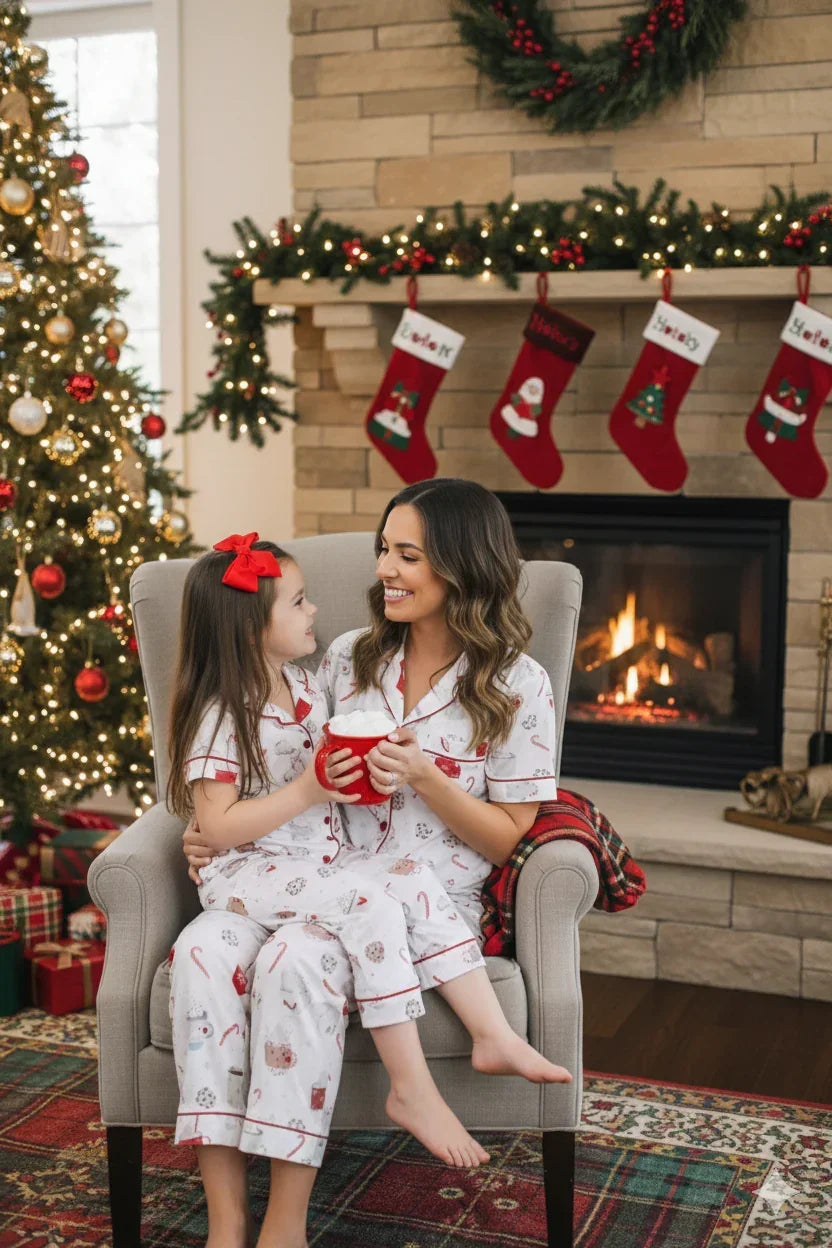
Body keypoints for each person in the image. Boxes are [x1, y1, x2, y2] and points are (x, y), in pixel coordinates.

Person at [169, 521, 569, 1248]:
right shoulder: (345, 660)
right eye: (385, 549)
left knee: (381, 898)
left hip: (339, 877)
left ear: (458, 567)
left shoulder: (514, 682)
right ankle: (232, 1217)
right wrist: (208, 828)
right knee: (203, 959)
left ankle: (486, 1037)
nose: (381, 568)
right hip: (292, 875)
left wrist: (413, 776)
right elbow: (246, 790)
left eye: (407, 555)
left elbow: (508, 829)